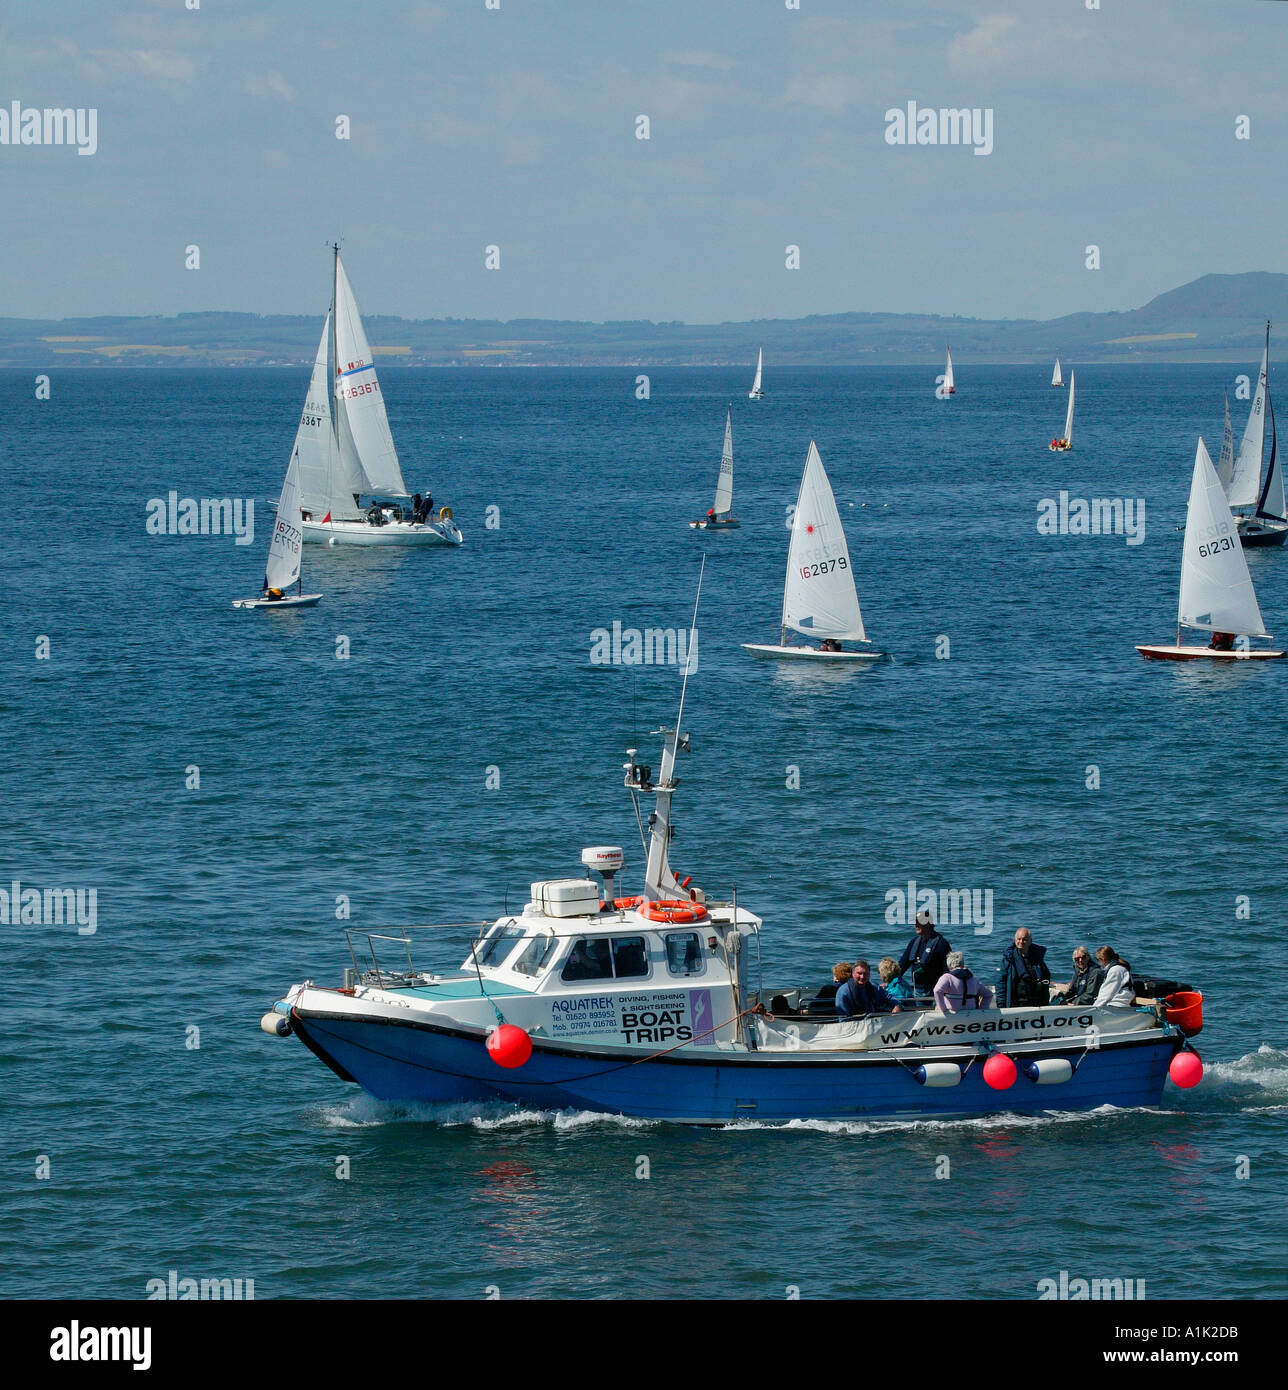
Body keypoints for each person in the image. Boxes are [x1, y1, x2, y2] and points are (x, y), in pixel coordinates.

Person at [896, 911, 952, 996]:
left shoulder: (941, 944)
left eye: (919, 922)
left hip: (937, 990)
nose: (916, 925)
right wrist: (891, 981)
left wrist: (946, 990)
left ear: (929, 924)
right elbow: (902, 965)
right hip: (918, 990)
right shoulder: (914, 942)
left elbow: (947, 970)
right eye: (915, 922)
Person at [997, 927, 1051, 1007]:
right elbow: (1001, 983)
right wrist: (1001, 1005)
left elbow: (1046, 977)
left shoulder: (1037, 958)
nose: (1021, 942)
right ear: (1015, 940)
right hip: (1016, 1003)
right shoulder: (1008, 960)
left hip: (1036, 1003)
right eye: (1019, 939)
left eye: (1024, 939)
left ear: (1030, 941)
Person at [834, 959, 900, 1018]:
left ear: (869, 974)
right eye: (859, 973)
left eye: (865, 973)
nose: (862, 977)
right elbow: (843, 1019)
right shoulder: (843, 992)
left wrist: (897, 1006)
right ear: (853, 974)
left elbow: (891, 998)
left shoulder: (874, 987)